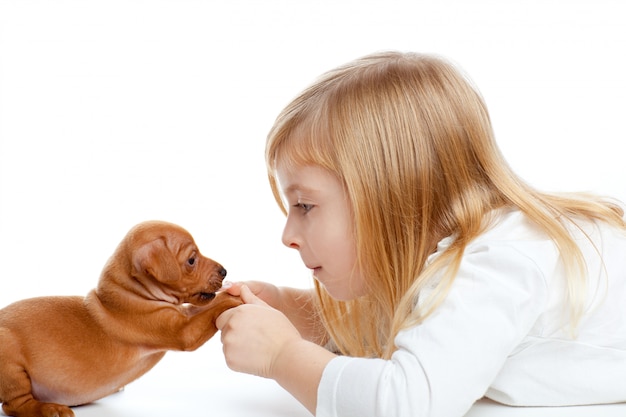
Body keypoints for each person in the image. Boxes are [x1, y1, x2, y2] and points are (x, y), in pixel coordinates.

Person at [215, 51, 626, 417]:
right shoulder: (460, 269)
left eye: (304, 205)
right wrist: (293, 312)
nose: (288, 235)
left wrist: (283, 356)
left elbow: (408, 404)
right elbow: (415, 331)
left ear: (388, 196)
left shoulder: (497, 264)